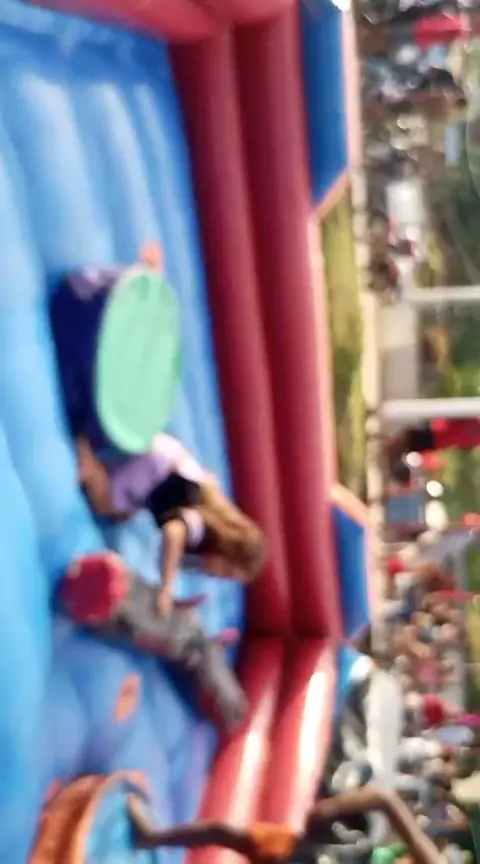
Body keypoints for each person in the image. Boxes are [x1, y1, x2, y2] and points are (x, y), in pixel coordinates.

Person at [77, 435, 265, 616]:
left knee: (121, 513)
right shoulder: (202, 529)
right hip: (156, 465)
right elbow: (173, 534)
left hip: (163, 459)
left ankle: (110, 472)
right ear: (225, 548)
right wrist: (166, 588)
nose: (218, 574)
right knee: (104, 505)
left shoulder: (208, 518)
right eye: (225, 570)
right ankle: (88, 461)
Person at [128, 784, 443, 864]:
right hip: (309, 854)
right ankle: (151, 837)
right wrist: (332, 808)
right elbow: (385, 798)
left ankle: (152, 837)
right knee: (227, 833)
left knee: (227, 834)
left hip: (310, 855)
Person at [383, 418, 480, 463]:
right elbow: (465, 449)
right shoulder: (476, 434)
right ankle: (387, 447)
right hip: (438, 438)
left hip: (436, 432)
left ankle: (387, 447)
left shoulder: (475, 421)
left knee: (409, 438)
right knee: (409, 440)